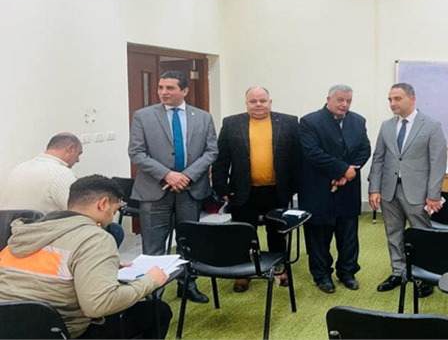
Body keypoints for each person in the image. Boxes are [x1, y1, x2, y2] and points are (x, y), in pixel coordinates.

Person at [0, 175, 172, 339]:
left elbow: (47, 268)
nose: (111, 220)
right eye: (113, 212)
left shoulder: (29, 231)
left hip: (8, 327)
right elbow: (99, 305)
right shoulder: (94, 238)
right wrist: (150, 281)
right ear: (103, 204)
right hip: (59, 331)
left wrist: (103, 266)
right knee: (157, 311)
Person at [128, 70, 218, 303]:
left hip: (190, 189)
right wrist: (167, 175)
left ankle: (187, 285)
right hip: (155, 190)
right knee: (153, 246)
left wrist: (186, 176)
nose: (163, 92)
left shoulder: (202, 117)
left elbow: (211, 151)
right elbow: (136, 152)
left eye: (170, 88)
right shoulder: (143, 116)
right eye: (160, 87)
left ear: (184, 90)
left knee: (189, 241)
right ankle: (153, 295)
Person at [213, 86, 301, 292]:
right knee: (243, 233)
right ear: (246, 104)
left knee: (277, 232)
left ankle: (279, 269)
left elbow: (297, 158)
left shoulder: (289, 122)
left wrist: (294, 187)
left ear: (270, 102)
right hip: (243, 191)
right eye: (253, 101)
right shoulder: (231, 123)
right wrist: (221, 187)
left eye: (262, 100)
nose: (258, 105)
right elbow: (221, 159)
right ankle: (243, 272)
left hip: (277, 190)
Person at [368, 83, 447, 297]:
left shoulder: (431, 125)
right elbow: (378, 158)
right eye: (390, 99)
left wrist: (433, 194)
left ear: (412, 99)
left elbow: (438, 163)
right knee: (393, 233)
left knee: (421, 234)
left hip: (418, 192)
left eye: (397, 99)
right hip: (389, 190)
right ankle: (399, 272)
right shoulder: (386, 126)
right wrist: (374, 188)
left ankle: (425, 276)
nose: (392, 103)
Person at [298, 85, 371, 293]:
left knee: (348, 235)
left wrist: (348, 173)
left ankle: (347, 272)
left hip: (348, 188)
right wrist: (342, 170)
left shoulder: (358, 121)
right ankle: (322, 275)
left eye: (348, 100)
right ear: (328, 99)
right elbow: (313, 152)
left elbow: (365, 149)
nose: (344, 104)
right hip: (318, 188)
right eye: (340, 100)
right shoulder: (309, 122)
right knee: (318, 236)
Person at [1, 132, 124, 246]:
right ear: (70, 148)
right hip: (43, 238)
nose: (78, 160)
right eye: (78, 154)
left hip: (9, 235)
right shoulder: (60, 173)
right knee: (114, 230)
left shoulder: (19, 168)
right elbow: (80, 214)